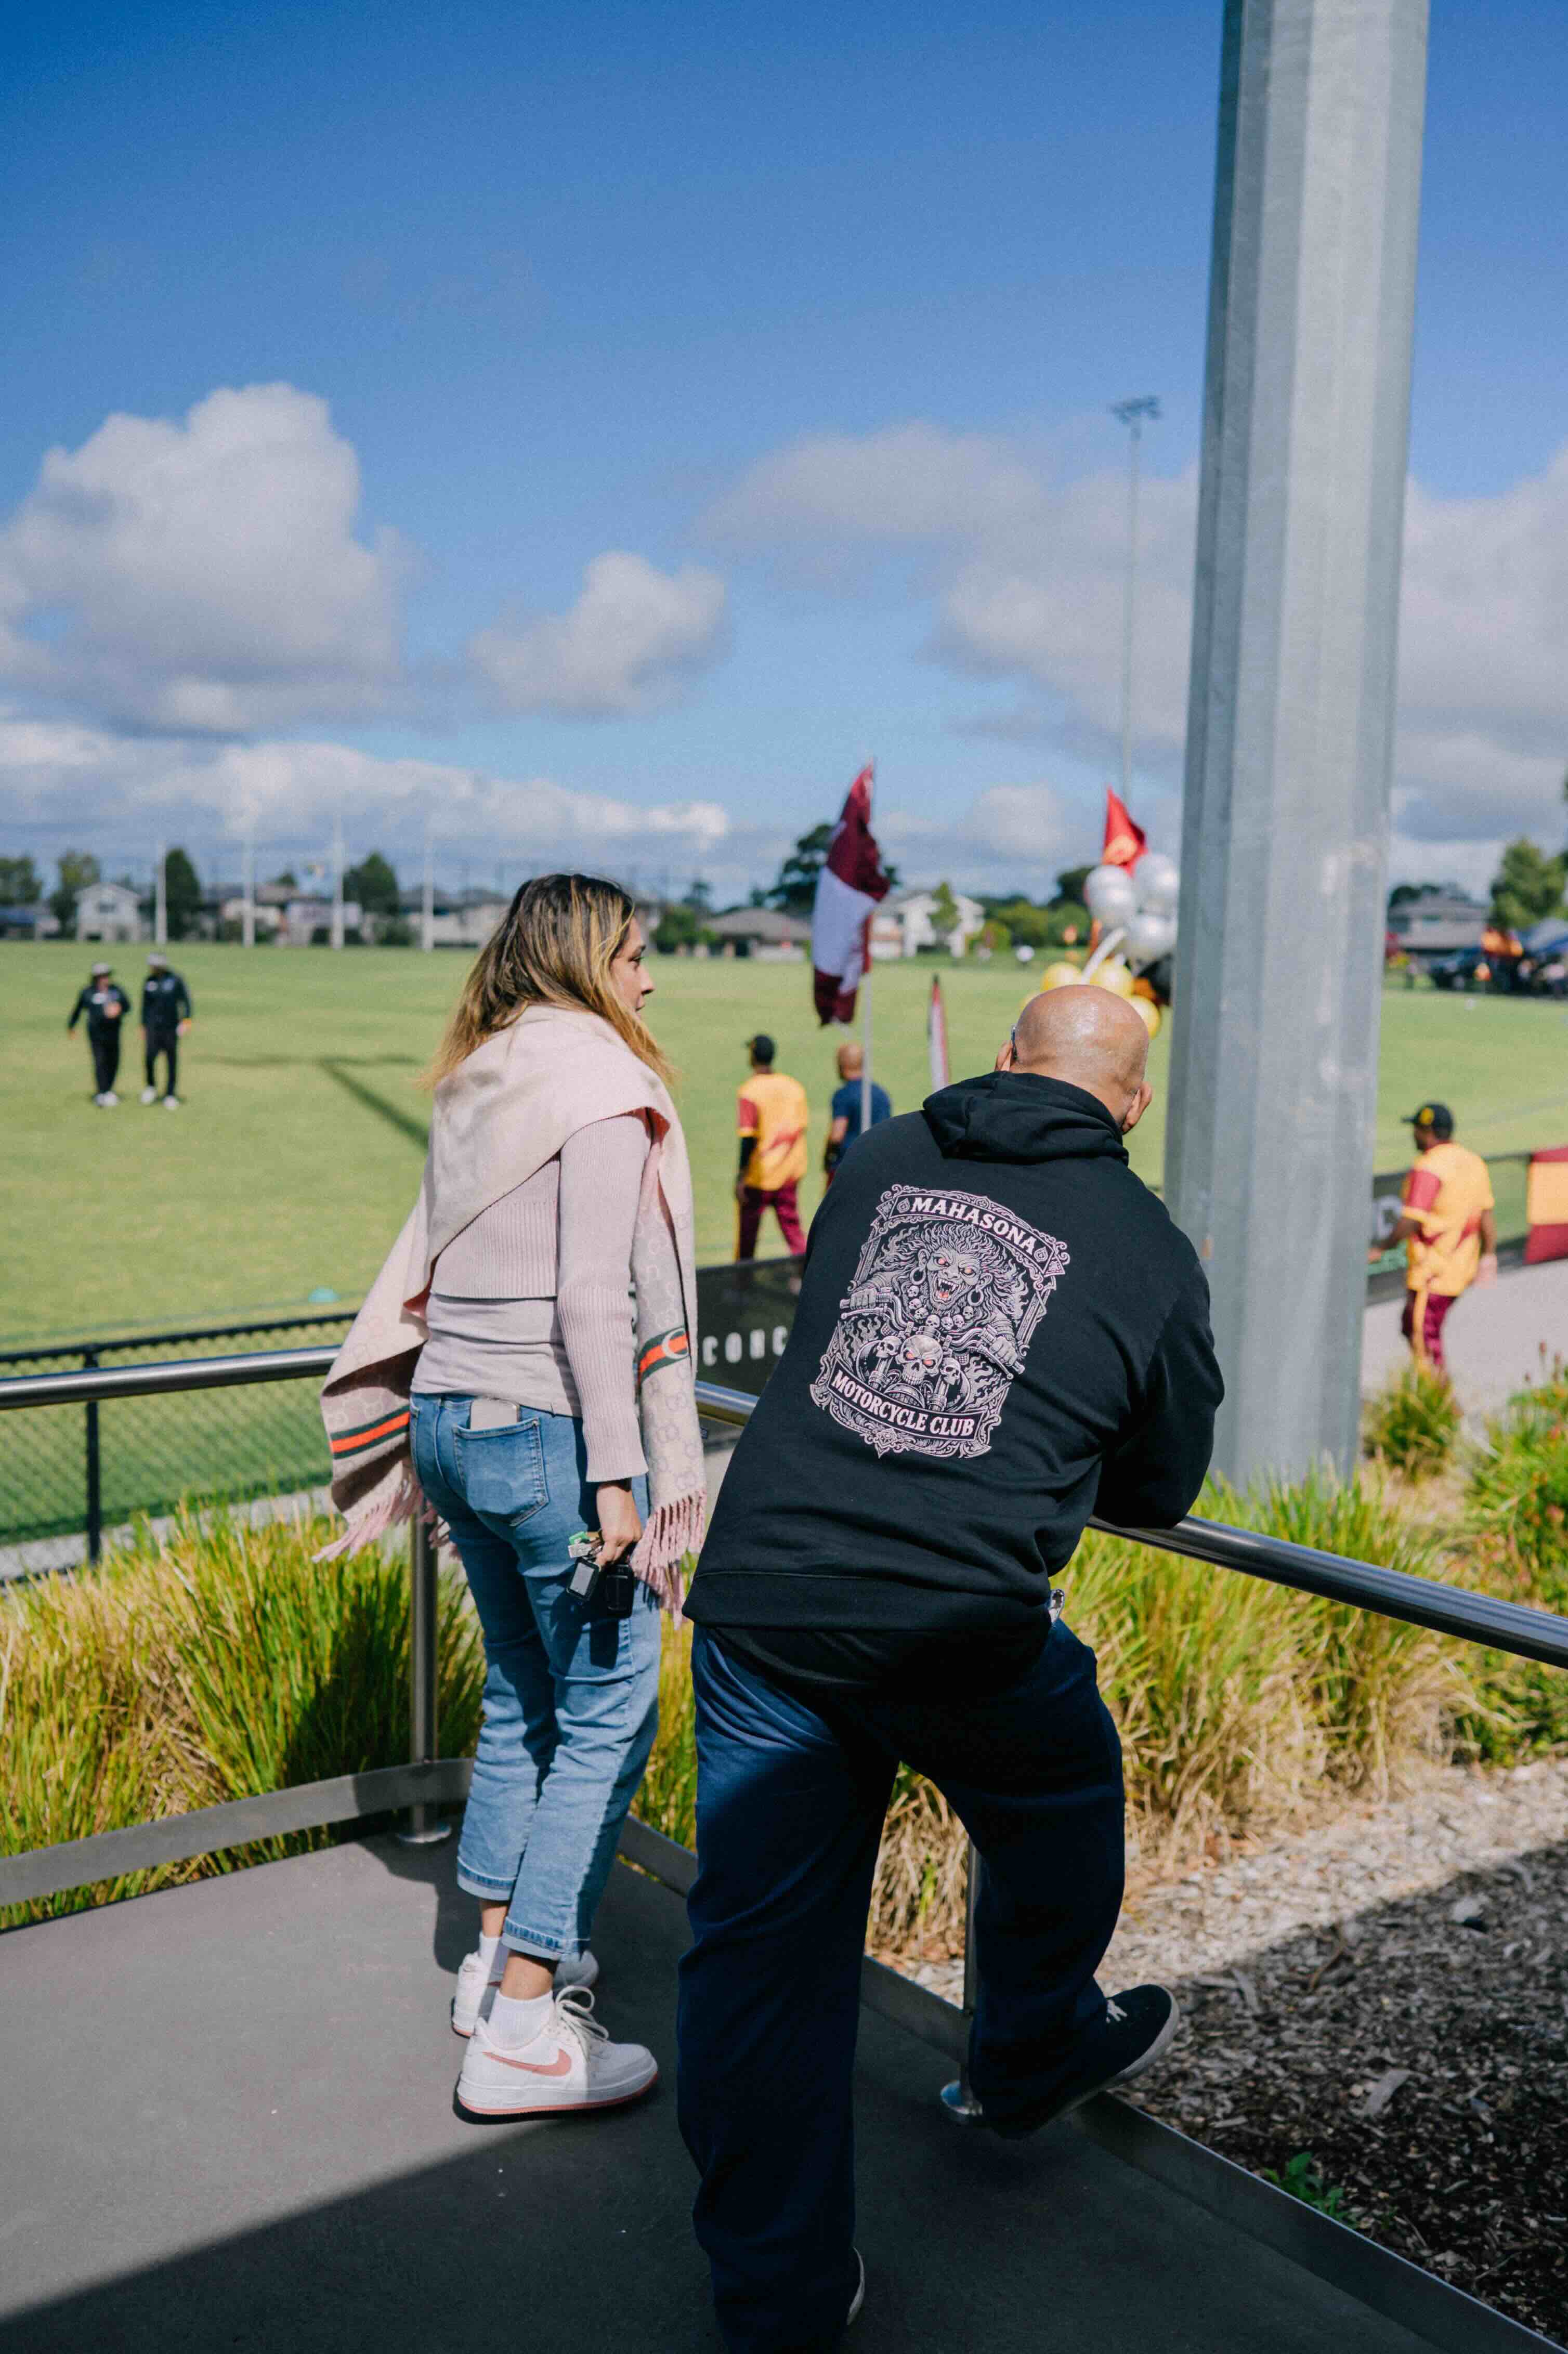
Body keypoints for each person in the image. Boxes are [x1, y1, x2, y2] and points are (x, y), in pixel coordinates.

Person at [677, 985, 1222, 2351]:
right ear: (1133, 1102)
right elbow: (1159, 1486)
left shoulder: (881, 1152)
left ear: (1002, 1060)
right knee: (1061, 1786)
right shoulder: (1149, 1246)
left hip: (766, 1595)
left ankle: (778, 2301)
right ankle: (1029, 2048)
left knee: (760, 1963)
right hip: (954, 1626)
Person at [319, 874, 705, 2122]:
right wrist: (620, 1478)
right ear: (589, 958)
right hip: (546, 1433)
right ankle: (525, 2027)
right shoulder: (598, 1080)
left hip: (444, 1422)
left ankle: (491, 1960)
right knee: (610, 1713)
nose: (648, 976)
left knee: (522, 1692)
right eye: (635, 954)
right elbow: (593, 1295)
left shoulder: (478, 1072)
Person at [1377, 1101, 1497, 1376]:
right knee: (1412, 1326)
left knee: (1423, 1337)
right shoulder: (1473, 1162)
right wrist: (1489, 1255)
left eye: (1416, 1129)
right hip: (1461, 1267)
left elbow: (1412, 1219)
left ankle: (1438, 1400)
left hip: (1433, 1272)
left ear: (1427, 1131)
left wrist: (1381, 1249)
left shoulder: (1429, 1167)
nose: (1413, 1135)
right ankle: (1432, 1393)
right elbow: (1486, 1216)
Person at [735, 1033, 808, 1260]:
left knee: (748, 1237)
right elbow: (801, 1127)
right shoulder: (794, 1087)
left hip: (760, 1175)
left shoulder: (749, 1091)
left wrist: (741, 1177)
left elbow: (748, 1138)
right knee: (793, 1231)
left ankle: (743, 1279)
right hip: (789, 1172)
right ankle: (806, 1272)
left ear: (753, 1056)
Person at [821, 1041, 891, 1184]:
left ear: (841, 1065)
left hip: (847, 1166)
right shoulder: (881, 1094)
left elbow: (837, 1135)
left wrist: (827, 1157)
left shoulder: (844, 1095)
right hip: (877, 1166)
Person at [67, 961, 130, 1106]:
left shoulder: (116, 990)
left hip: (113, 1032)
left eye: (107, 976)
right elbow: (78, 1009)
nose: (105, 979)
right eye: (102, 976)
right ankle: (102, 1092)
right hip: (96, 1034)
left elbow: (128, 1006)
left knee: (114, 1061)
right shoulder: (88, 992)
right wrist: (71, 1026)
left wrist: (119, 1009)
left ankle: (109, 1090)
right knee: (100, 1061)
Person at [140, 951, 192, 1107]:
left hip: (171, 1026)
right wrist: (143, 1025)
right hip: (153, 1027)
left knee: (171, 1060)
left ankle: (170, 1094)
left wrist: (186, 1020)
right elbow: (145, 1006)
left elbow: (186, 1001)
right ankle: (151, 1087)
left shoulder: (175, 980)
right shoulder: (149, 981)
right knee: (149, 1057)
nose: (153, 968)